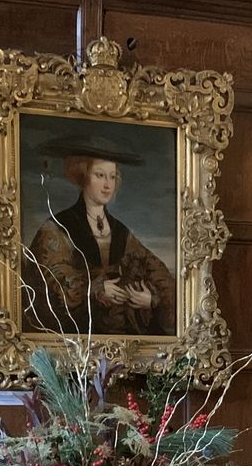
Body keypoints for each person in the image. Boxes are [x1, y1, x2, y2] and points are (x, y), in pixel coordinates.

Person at [24, 138, 177, 337]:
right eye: (100, 175)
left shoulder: (121, 231)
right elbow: (53, 278)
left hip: (126, 337)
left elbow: (158, 273)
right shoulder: (57, 227)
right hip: (78, 338)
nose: (108, 185)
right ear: (82, 176)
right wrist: (96, 288)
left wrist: (151, 298)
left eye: (112, 177)